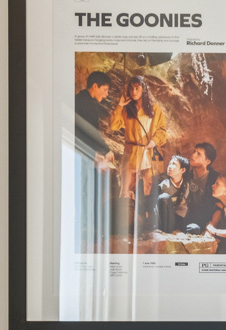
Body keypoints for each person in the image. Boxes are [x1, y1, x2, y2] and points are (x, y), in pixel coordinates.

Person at [109, 75, 167, 209]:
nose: (134, 91)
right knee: (127, 187)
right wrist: (120, 105)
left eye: (137, 88)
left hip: (150, 152)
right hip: (132, 152)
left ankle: (146, 220)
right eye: (131, 88)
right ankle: (127, 219)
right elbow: (113, 125)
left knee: (149, 188)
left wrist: (154, 141)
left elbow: (162, 131)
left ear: (143, 89)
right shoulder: (127, 109)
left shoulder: (154, 109)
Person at [74, 71, 112, 251]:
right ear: (95, 86)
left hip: (81, 153)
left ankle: (85, 231)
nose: (106, 95)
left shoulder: (79, 99)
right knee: (86, 192)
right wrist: (105, 150)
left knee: (83, 192)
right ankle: (88, 232)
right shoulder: (87, 104)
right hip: (82, 156)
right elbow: (91, 132)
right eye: (104, 90)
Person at [185, 142, 221, 230]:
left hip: (208, 224)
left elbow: (219, 207)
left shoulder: (216, 179)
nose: (193, 155)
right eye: (194, 152)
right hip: (187, 222)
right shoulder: (185, 177)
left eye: (198, 154)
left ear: (207, 161)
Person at [154, 155, 191, 234]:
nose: (169, 166)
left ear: (183, 170)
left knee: (194, 228)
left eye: (174, 164)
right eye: (169, 163)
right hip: (166, 221)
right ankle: (167, 233)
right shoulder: (162, 185)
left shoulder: (189, 186)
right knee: (164, 197)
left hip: (182, 221)